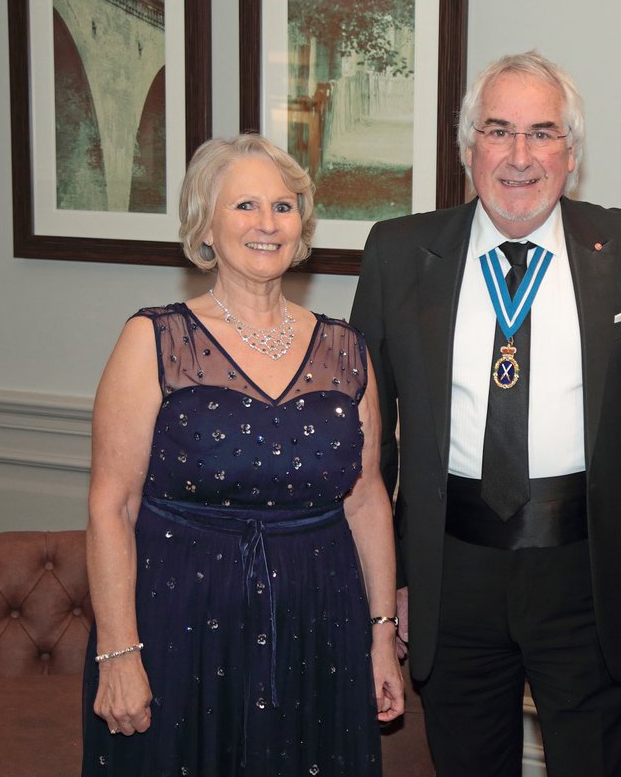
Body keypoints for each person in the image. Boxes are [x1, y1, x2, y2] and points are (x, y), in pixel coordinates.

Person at [349, 51, 621, 776]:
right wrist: (390, 587)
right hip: (450, 576)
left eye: (543, 133)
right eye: (499, 131)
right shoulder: (399, 252)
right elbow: (370, 449)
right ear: (468, 145)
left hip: (591, 575)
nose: (519, 156)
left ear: (572, 153)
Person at [81, 133, 404, 776]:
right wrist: (118, 653)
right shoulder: (153, 339)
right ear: (206, 224)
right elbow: (111, 507)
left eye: (283, 207)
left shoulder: (347, 349)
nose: (267, 224)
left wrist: (380, 635)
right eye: (245, 206)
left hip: (320, 625)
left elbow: (368, 499)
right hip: (179, 623)